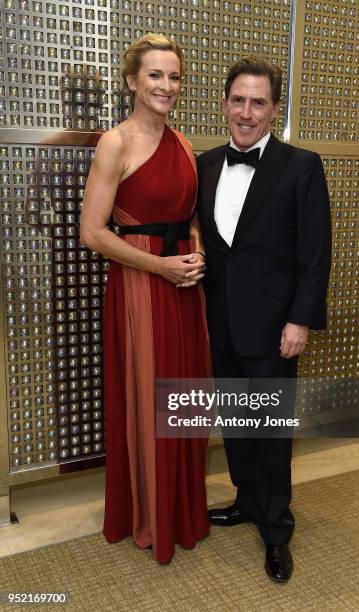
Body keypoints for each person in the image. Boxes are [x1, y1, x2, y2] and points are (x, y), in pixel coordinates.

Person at [197, 56, 332, 582]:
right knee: (236, 424)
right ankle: (246, 502)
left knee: (271, 433)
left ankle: (277, 528)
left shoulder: (302, 165)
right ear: (225, 104)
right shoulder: (205, 163)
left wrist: (299, 320)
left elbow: (315, 254)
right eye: (238, 100)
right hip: (220, 321)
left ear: (275, 108)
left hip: (276, 327)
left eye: (258, 102)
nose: (247, 112)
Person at [80, 34, 210, 564]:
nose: (166, 86)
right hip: (140, 288)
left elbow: (189, 217)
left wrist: (195, 254)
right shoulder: (115, 142)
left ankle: (181, 509)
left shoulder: (183, 144)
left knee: (184, 398)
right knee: (149, 395)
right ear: (132, 80)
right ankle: (151, 515)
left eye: (174, 76)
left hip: (183, 288)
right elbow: (93, 232)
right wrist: (159, 266)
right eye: (156, 75)